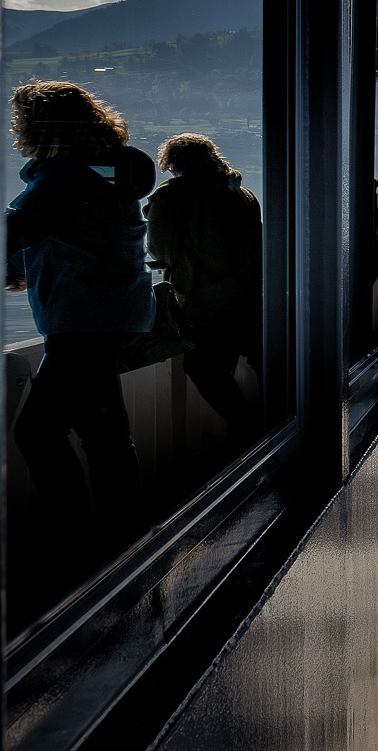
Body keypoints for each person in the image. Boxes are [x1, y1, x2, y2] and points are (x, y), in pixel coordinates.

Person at [4, 81, 158, 545]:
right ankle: (121, 539)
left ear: (38, 126)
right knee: (103, 432)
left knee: (38, 433)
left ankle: (76, 540)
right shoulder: (108, 172)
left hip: (82, 319)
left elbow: (19, 227)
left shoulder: (64, 178)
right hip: (114, 313)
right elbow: (71, 235)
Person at [144, 133, 263, 445]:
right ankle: (271, 428)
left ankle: (246, 431)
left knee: (203, 368)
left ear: (173, 164)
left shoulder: (171, 197)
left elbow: (161, 249)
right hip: (254, 297)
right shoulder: (243, 193)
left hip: (211, 302)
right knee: (261, 364)